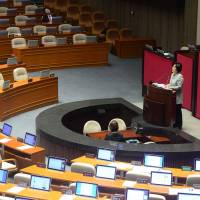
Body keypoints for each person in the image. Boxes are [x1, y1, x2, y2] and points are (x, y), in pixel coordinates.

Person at [166, 62, 184, 130]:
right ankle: (175, 123)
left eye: (174, 67)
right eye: (173, 66)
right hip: (172, 95)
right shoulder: (172, 74)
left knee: (178, 110)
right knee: (174, 110)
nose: (172, 68)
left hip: (177, 96)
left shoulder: (180, 77)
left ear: (177, 69)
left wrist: (171, 87)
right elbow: (171, 84)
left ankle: (179, 124)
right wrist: (167, 85)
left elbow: (179, 87)